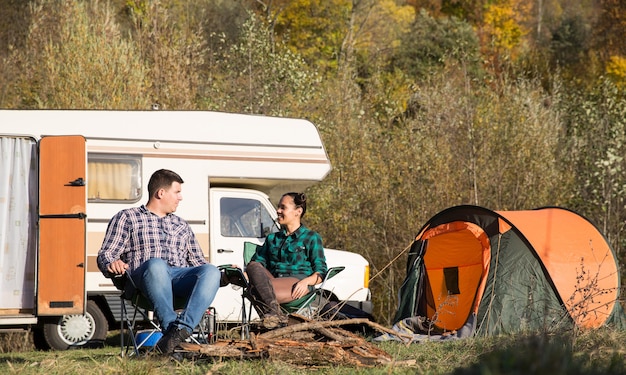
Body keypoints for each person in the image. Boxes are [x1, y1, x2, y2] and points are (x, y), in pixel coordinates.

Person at [97, 169, 222, 355]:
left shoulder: (182, 225)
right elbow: (106, 253)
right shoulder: (127, 217)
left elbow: (198, 263)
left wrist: (225, 274)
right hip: (144, 282)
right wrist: (112, 263)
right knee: (156, 264)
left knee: (211, 270)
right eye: (177, 192)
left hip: (178, 280)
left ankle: (178, 332)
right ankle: (172, 328)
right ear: (161, 193)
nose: (180, 198)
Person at [245, 192, 328, 328]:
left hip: (297, 282)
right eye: (278, 207)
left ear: (298, 211)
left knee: (254, 291)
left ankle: (273, 321)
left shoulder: (311, 237)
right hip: (272, 281)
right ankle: (275, 315)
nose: (278, 211)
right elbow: (258, 265)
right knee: (253, 266)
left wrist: (306, 281)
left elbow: (321, 271)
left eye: (283, 207)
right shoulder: (272, 239)